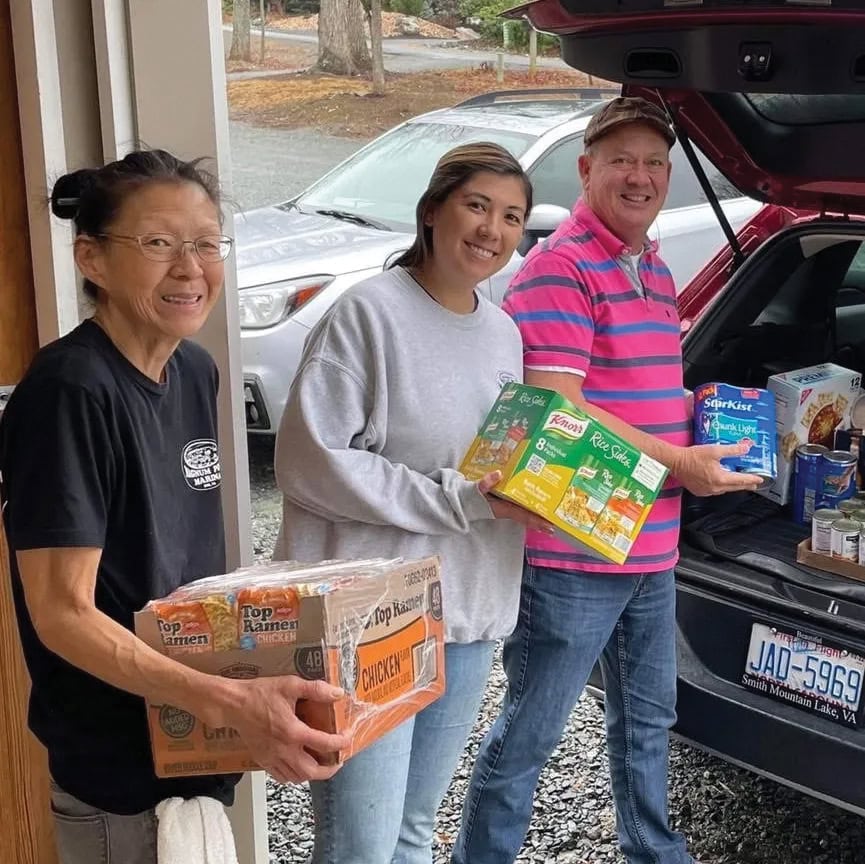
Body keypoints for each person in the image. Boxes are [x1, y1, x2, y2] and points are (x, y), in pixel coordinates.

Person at [0, 149, 349, 864]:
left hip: (190, 747)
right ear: (91, 259)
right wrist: (232, 704)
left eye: (205, 243)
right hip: (118, 772)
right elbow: (63, 614)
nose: (190, 268)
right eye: (159, 243)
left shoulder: (193, 369)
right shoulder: (70, 391)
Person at [452, 98, 761, 864]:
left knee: (647, 719)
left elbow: (642, 391)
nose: (641, 175)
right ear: (586, 170)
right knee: (530, 731)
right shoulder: (561, 269)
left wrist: (719, 420)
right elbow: (559, 410)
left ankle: (651, 851)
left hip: (649, 546)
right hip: (573, 553)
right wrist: (683, 463)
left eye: (655, 163)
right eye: (621, 159)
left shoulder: (649, 266)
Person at [272, 142, 553, 864]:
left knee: (411, 832)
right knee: (360, 845)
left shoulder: (503, 333)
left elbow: (494, 472)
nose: (493, 229)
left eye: (512, 216)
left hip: (465, 611)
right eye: (477, 205)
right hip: (371, 618)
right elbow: (312, 464)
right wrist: (461, 501)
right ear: (432, 211)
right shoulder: (367, 313)